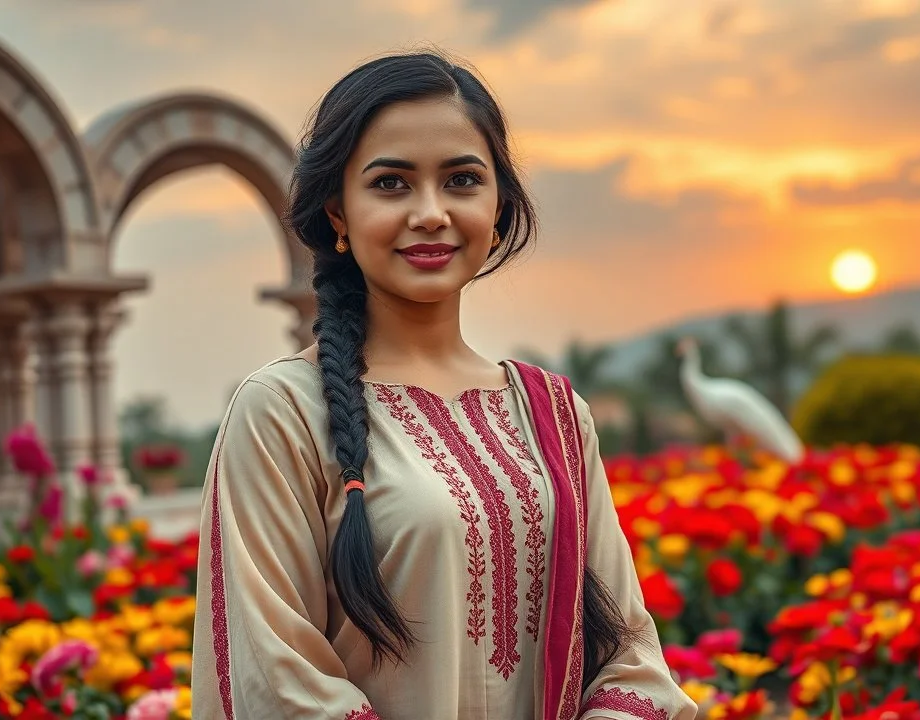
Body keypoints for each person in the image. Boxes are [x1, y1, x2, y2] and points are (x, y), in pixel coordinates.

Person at [190, 51, 698, 720]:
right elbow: (274, 679)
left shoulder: (554, 413)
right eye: (391, 184)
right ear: (337, 212)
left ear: (498, 206)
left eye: (461, 180)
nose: (430, 213)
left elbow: (631, 661)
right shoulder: (281, 411)